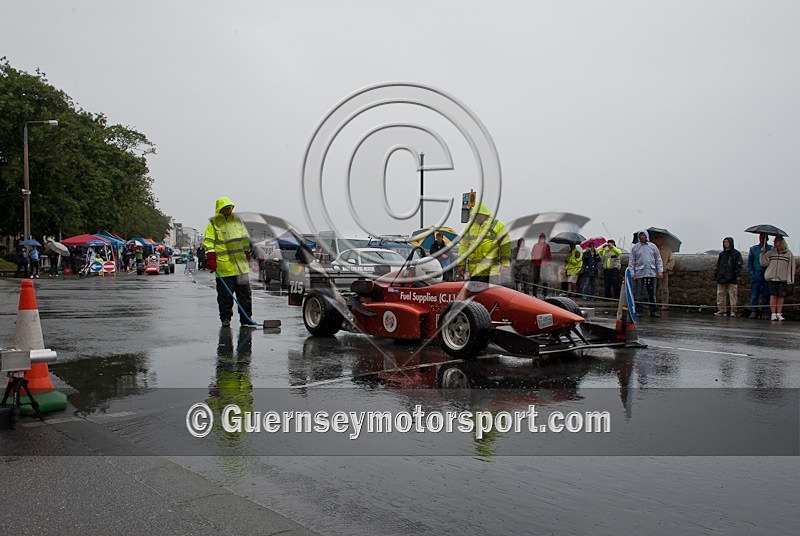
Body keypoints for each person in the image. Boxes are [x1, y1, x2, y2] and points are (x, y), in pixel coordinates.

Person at [203, 196, 256, 327]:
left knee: (245, 295)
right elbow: (209, 242)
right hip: (224, 266)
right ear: (219, 209)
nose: (227, 210)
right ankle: (225, 318)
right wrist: (210, 257)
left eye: (229, 208)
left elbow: (244, 240)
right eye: (225, 208)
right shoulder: (214, 224)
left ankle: (246, 319)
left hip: (240, 267)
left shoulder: (237, 222)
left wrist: (247, 253)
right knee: (225, 297)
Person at [456, 201, 511, 284]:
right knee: (476, 295)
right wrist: (461, 264)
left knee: (491, 295)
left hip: (492, 272)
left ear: (485, 214)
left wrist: (505, 264)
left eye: (479, 215)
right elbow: (463, 246)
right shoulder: (469, 227)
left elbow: (505, 246)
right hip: (475, 272)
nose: (477, 217)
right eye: (475, 215)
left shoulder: (497, 225)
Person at [630, 230, 664, 317]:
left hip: (651, 273)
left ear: (646, 236)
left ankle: (653, 311)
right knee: (638, 293)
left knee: (652, 293)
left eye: (643, 235)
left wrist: (660, 271)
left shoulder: (653, 247)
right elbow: (632, 261)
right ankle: (638, 310)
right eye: (640, 236)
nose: (642, 237)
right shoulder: (635, 248)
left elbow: (658, 259)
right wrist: (632, 273)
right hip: (639, 273)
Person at [760, 235, 794, 321]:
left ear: (781, 242)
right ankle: (773, 313)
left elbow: (791, 267)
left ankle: (779, 313)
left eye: (776, 241)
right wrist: (762, 253)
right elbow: (764, 263)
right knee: (773, 295)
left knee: (781, 296)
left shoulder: (788, 253)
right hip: (771, 277)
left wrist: (790, 279)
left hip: (782, 278)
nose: (774, 243)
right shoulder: (771, 252)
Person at [714, 237, 743, 317]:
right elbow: (718, 265)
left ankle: (733, 311)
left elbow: (739, 265)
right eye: (725, 242)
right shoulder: (722, 254)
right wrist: (717, 274)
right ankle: (721, 310)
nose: (726, 244)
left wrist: (735, 274)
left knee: (732, 294)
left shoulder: (736, 254)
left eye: (727, 242)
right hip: (722, 276)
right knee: (720, 294)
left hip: (732, 277)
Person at [747, 233, 772, 319]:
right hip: (757, 272)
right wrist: (752, 272)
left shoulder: (770, 249)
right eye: (761, 238)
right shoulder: (754, 249)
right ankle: (753, 310)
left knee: (766, 294)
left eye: (764, 238)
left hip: (767, 272)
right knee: (754, 293)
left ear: (767, 239)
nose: (761, 239)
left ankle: (765, 311)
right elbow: (750, 262)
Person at [655, 235, 676, 310]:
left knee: (664, 289)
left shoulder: (667, 249)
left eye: (659, 239)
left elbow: (672, 260)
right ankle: (654, 304)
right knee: (654, 289)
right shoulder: (653, 249)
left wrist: (667, 267)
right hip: (653, 271)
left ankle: (664, 305)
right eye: (657, 239)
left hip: (664, 272)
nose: (658, 241)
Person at [530, 233, 552, 297]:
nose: (542, 240)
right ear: (539, 239)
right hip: (537, 264)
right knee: (535, 279)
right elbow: (533, 254)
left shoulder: (547, 246)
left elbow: (549, 255)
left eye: (543, 238)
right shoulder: (536, 245)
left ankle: (545, 294)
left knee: (545, 280)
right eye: (541, 238)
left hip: (544, 265)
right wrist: (533, 261)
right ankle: (534, 294)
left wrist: (548, 262)